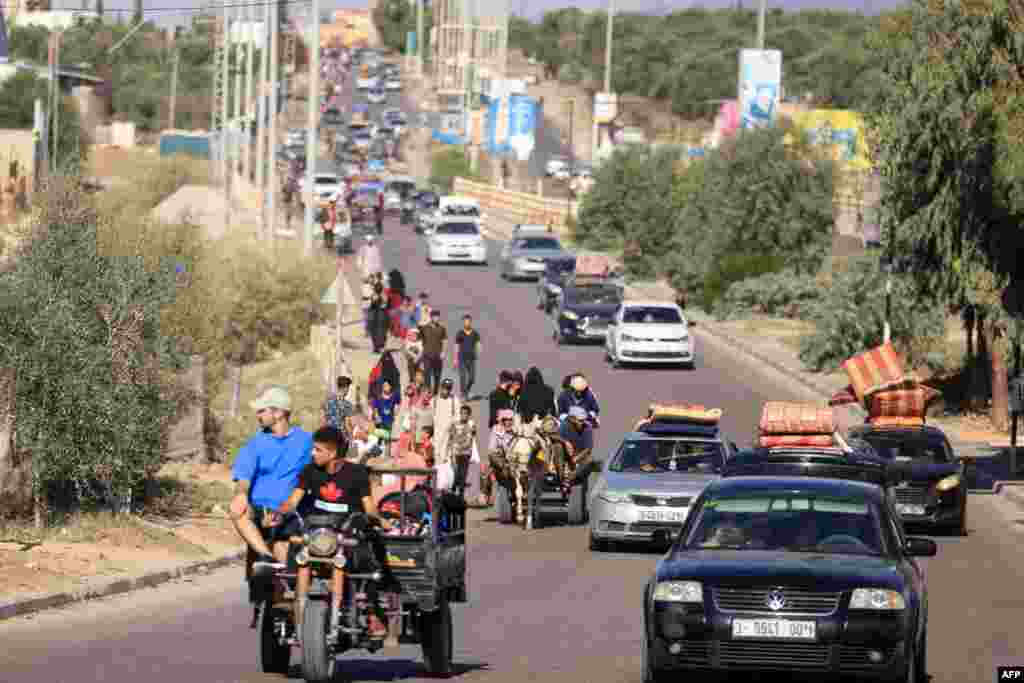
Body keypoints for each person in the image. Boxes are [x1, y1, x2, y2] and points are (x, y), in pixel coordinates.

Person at [278, 426, 394, 643]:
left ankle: (371, 611)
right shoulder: (309, 471)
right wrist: (279, 512)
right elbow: (293, 501)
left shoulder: (357, 473)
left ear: (332, 453)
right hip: (316, 535)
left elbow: (368, 508)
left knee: (371, 559)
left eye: (317, 450)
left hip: (347, 535)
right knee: (294, 551)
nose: (312, 453)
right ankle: (294, 607)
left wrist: (379, 520)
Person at [230, 387, 314, 574]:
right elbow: (243, 478)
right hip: (260, 510)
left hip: (290, 511)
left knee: (292, 574)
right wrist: (241, 495)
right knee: (237, 508)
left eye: (262, 411)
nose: (257, 415)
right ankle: (264, 555)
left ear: (278, 413)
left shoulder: (305, 441)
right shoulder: (255, 443)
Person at [449, 403, 479, 499]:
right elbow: (451, 437)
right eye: (462, 413)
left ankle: (461, 493)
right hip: (456, 452)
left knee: (463, 473)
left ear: (469, 415)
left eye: (466, 414)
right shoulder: (455, 424)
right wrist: (450, 451)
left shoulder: (471, 424)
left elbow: (473, 435)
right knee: (456, 472)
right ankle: (453, 489)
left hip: (466, 453)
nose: (463, 415)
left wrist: (472, 428)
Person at [517, 366, 556, 435]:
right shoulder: (549, 390)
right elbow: (552, 409)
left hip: (527, 423)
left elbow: (519, 408)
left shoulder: (523, 391)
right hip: (543, 422)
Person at [432, 378, 462, 465]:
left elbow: (457, 417)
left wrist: (454, 429)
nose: (446, 390)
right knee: (436, 458)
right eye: (444, 388)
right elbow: (431, 416)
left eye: (448, 388)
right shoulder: (434, 400)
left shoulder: (454, 401)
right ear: (441, 387)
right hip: (436, 435)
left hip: (448, 436)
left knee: (447, 459)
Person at [418, 309, 447, 395]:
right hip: (427, 355)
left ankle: (435, 391)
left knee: (437, 375)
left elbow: (445, 340)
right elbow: (420, 341)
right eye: (434, 316)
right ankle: (428, 391)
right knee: (427, 373)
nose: (436, 318)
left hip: (438, 355)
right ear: (431, 317)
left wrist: (443, 352)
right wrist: (420, 353)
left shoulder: (442, 328)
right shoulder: (424, 328)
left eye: (438, 316)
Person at [453, 314, 481, 401]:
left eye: (468, 321)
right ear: (463, 323)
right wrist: (455, 359)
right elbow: (456, 346)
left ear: (470, 322)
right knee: (463, 376)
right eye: (465, 321)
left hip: (471, 358)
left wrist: (478, 351)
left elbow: (478, 344)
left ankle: (466, 391)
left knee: (472, 378)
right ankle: (462, 394)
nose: (467, 323)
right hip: (461, 358)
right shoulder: (460, 333)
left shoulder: (475, 333)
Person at [368, 283, 390, 353]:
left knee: (380, 332)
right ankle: (377, 347)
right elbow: (371, 305)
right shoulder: (374, 296)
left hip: (380, 316)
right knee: (377, 332)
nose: (377, 289)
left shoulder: (383, 296)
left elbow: (385, 305)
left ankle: (378, 346)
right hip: (377, 316)